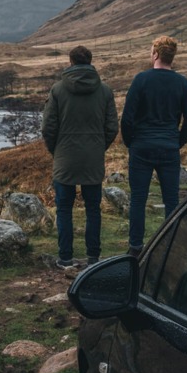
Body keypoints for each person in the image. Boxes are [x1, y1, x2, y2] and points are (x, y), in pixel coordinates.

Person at [41, 45, 118, 269]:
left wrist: (56, 151)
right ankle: (93, 258)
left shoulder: (57, 90)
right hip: (93, 157)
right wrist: (98, 147)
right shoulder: (104, 90)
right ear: (91, 61)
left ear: (71, 62)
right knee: (93, 208)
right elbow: (112, 126)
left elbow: (48, 127)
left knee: (64, 208)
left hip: (64, 157)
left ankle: (65, 258)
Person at [121, 35, 187, 257]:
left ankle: (135, 247)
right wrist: (177, 142)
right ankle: (169, 247)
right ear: (172, 56)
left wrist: (130, 143)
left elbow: (127, 118)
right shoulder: (182, 83)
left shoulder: (141, 80)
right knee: (171, 199)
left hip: (141, 146)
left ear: (155, 54)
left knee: (138, 198)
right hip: (169, 147)